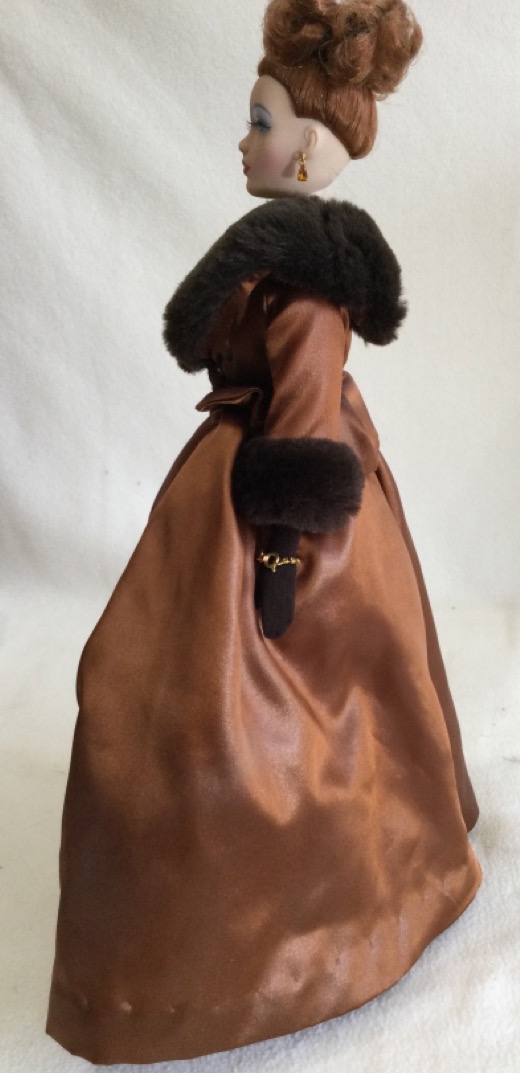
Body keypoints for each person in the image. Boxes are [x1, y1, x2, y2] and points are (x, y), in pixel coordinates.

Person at [45, 0, 481, 1064]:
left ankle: (307, 910)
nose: (243, 140)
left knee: (297, 697)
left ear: (313, 149)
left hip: (288, 505)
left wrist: (281, 552)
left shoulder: (311, 298)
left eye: (261, 121)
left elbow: (304, 423)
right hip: (243, 476)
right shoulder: (280, 272)